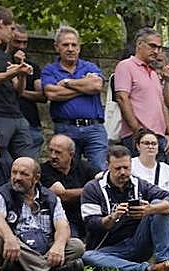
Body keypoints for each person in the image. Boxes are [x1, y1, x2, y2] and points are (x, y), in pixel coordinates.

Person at [81, 145, 169, 271]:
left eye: (126, 168)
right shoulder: (93, 188)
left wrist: (150, 209)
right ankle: (147, 268)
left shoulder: (140, 184)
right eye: (118, 168)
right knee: (88, 256)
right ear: (107, 165)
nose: (123, 172)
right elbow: (91, 224)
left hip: (138, 242)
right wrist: (112, 217)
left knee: (159, 205)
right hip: (107, 249)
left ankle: (165, 261)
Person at [0, 156, 85, 271]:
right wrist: (9, 238)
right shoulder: (0, 194)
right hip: (17, 246)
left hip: (45, 247)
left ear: (36, 178)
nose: (17, 178)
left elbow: (63, 226)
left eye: (24, 174)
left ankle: (21, 267)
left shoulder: (50, 197)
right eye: (14, 172)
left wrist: (58, 246)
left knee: (77, 246)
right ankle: (49, 270)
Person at [40, 26, 107, 172]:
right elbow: (52, 94)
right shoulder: (49, 70)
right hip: (65, 128)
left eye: (74, 45)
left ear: (79, 48)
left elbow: (96, 85)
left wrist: (66, 83)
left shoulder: (90, 66)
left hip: (94, 128)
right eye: (65, 45)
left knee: (100, 170)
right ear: (57, 47)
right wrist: (84, 87)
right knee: (66, 172)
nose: (70, 49)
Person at [113, 28, 169, 159]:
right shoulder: (125, 66)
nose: (156, 51)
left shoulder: (154, 73)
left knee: (161, 177)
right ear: (139, 44)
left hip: (159, 138)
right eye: (152, 46)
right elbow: (122, 98)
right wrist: (139, 132)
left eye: (159, 47)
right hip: (136, 137)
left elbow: (162, 106)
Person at [0, 8, 37, 162]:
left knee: (28, 162)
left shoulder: (3, 54)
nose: (13, 33)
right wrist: (14, 72)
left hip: (17, 115)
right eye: (11, 28)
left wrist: (22, 73)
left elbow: (19, 89)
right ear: (1, 24)